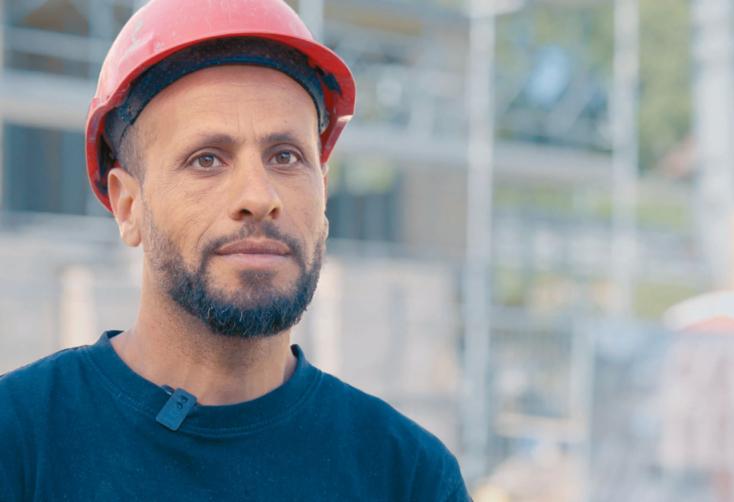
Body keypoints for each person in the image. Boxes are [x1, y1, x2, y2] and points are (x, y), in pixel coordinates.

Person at [0, 1, 471, 500]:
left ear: (323, 192)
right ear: (128, 206)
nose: (259, 197)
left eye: (286, 156)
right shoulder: (19, 440)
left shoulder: (407, 475)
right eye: (207, 160)